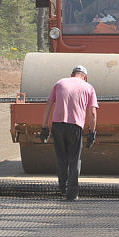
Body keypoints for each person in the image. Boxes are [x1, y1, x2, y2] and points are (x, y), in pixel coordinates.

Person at [40, 65, 98, 201]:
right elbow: (93, 113)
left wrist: (44, 127)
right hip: (75, 126)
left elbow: (48, 105)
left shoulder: (60, 83)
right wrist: (92, 132)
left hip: (57, 125)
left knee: (61, 157)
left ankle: (62, 187)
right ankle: (72, 193)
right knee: (74, 159)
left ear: (72, 74)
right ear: (85, 77)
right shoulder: (88, 87)